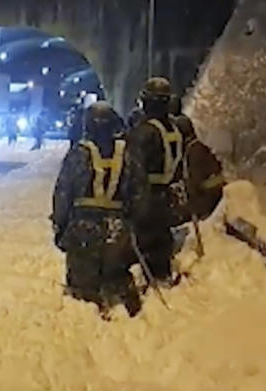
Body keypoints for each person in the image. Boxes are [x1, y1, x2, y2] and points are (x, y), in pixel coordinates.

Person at [52, 101, 145, 318]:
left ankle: (90, 306)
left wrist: (60, 224)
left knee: (82, 283)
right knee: (117, 269)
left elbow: (64, 192)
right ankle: (125, 301)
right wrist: (134, 223)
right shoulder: (128, 154)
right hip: (118, 227)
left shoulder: (79, 154)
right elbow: (140, 192)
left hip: (83, 228)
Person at [126, 77, 185, 284]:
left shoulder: (144, 132)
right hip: (167, 194)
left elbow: (132, 166)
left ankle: (147, 279)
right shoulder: (175, 131)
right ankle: (163, 274)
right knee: (162, 238)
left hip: (147, 195)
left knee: (144, 239)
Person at [175, 115, 226, 221]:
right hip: (211, 200)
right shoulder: (196, 148)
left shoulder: (194, 151)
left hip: (206, 203)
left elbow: (194, 182)